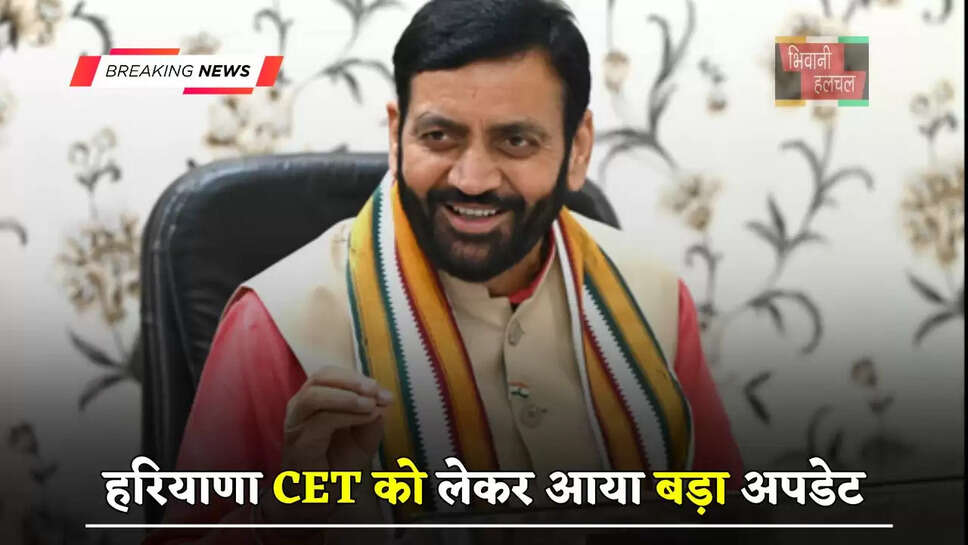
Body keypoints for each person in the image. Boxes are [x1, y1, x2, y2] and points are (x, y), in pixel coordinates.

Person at [145, 0, 742, 543]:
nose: (472, 179)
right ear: (396, 134)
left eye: (515, 141)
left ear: (578, 148)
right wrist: (284, 523)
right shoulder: (278, 324)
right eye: (439, 137)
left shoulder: (652, 298)